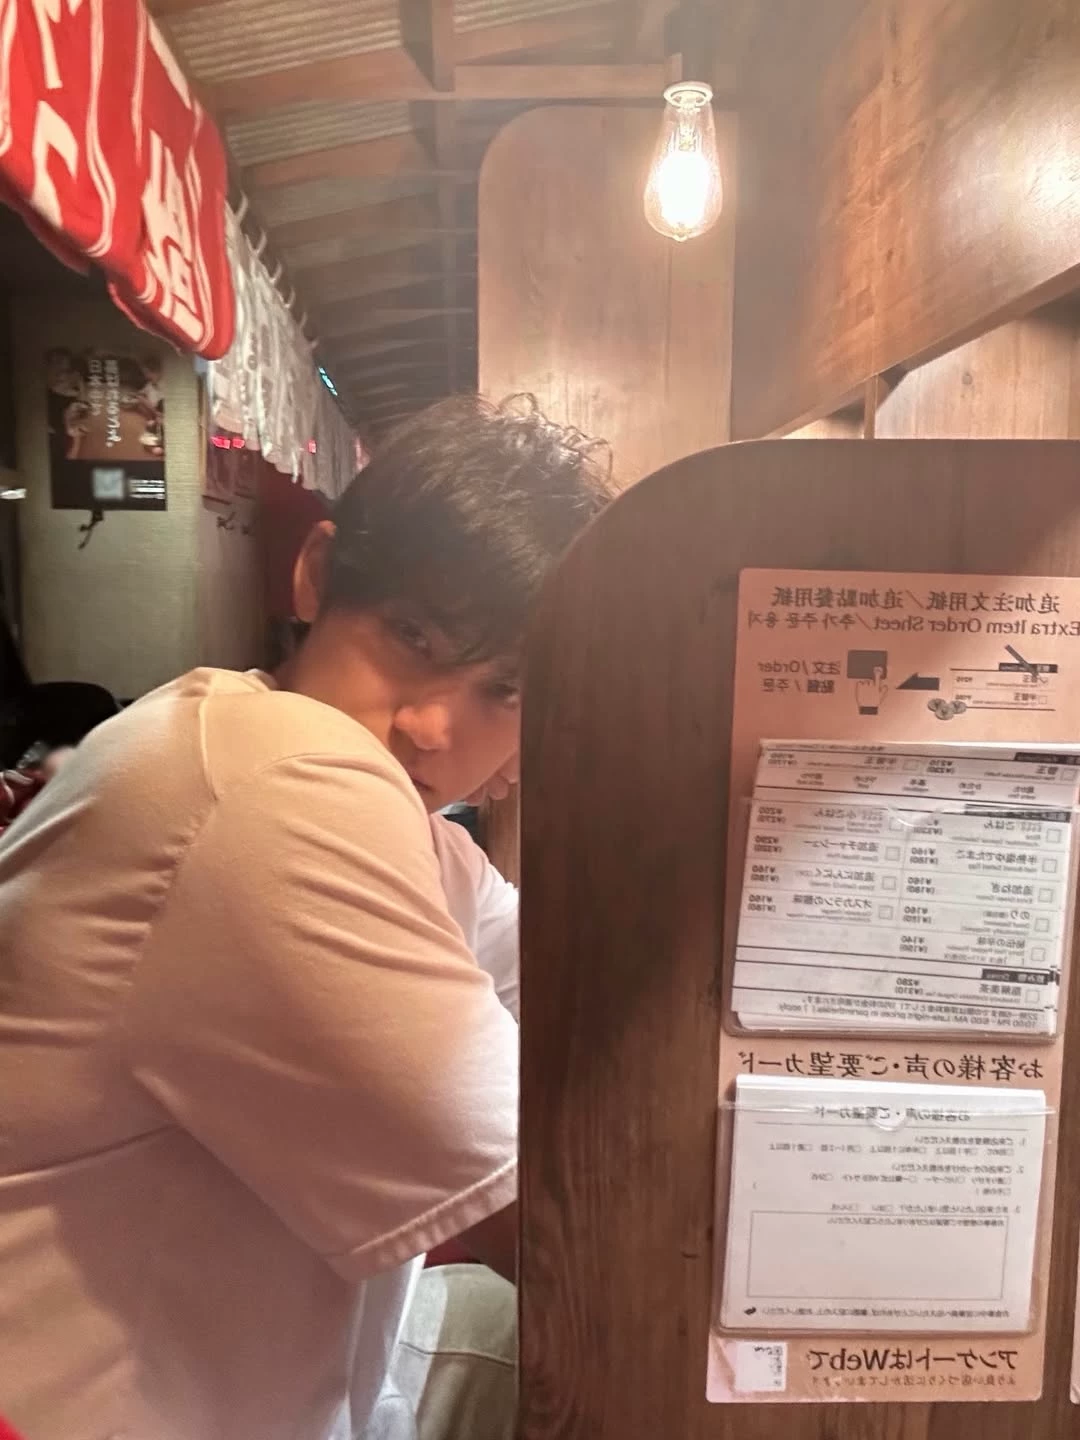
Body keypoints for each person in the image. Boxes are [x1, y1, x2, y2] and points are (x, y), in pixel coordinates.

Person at [0, 394, 613, 1440]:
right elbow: (557, 1227)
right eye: (414, 637)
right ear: (317, 575)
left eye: (505, 689)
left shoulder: (355, 804)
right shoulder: (277, 780)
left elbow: (577, 988)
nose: (430, 725)